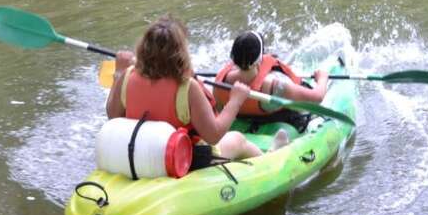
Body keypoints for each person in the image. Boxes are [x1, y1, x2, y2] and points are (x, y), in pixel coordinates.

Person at [106, 16, 262, 161]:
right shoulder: (187, 87)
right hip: (181, 161)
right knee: (237, 139)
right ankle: (271, 156)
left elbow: (113, 116)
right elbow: (213, 136)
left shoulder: (126, 76)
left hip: (140, 156)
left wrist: (118, 73)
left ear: (143, 48)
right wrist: (235, 101)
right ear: (180, 53)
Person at [212, 31, 330, 116]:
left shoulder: (220, 79)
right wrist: (322, 78)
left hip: (242, 115)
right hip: (272, 117)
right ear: (260, 58)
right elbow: (317, 98)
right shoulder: (274, 86)